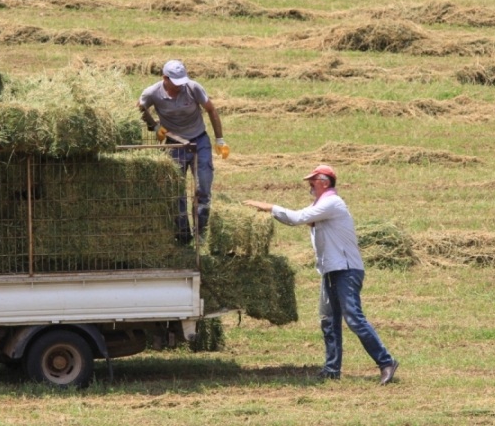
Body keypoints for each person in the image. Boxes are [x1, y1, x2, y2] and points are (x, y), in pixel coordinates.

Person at [243, 164, 398, 385]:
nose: (310, 186)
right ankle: (332, 369)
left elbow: (297, 218)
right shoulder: (322, 205)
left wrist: (269, 207)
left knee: (354, 318)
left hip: (346, 270)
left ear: (325, 182)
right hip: (331, 270)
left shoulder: (331, 203)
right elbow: (300, 219)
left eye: (313, 181)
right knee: (329, 320)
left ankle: (386, 362)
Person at [138, 59, 228, 244]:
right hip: (174, 145)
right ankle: (183, 235)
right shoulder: (153, 93)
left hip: (199, 142)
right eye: (176, 82)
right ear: (165, 78)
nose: (180, 86)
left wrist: (219, 139)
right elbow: (140, 107)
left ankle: (201, 232)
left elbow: (211, 109)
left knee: (203, 187)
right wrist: (154, 127)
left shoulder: (193, 88)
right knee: (176, 191)